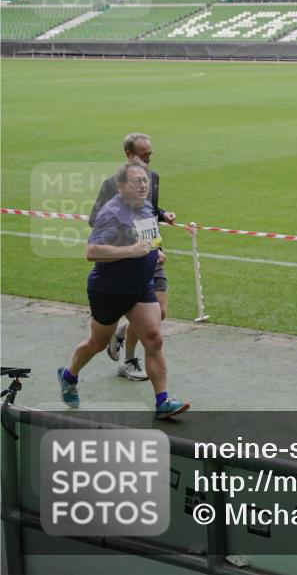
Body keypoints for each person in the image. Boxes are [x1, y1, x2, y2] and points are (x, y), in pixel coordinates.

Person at [59, 158, 189, 419]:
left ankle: (163, 401)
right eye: (137, 181)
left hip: (140, 286)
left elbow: (148, 238)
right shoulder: (111, 213)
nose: (143, 186)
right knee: (97, 343)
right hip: (109, 289)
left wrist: (155, 253)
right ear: (120, 186)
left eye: (145, 181)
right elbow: (92, 252)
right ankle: (69, 374)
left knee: (154, 337)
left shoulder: (146, 206)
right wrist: (131, 251)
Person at [89, 133, 176, 381]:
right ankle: (129, 361)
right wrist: (131, 243)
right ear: (129, 154)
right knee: (151, 328)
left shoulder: (154, 178)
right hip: (127, 261)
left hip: (152, 254)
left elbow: (146, 211)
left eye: (150, 155)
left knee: (160, 312)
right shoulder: (112, 184)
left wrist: (163, 214)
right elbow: (96, 220)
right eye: (143, 155)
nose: (148, 160)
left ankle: (123, 332)